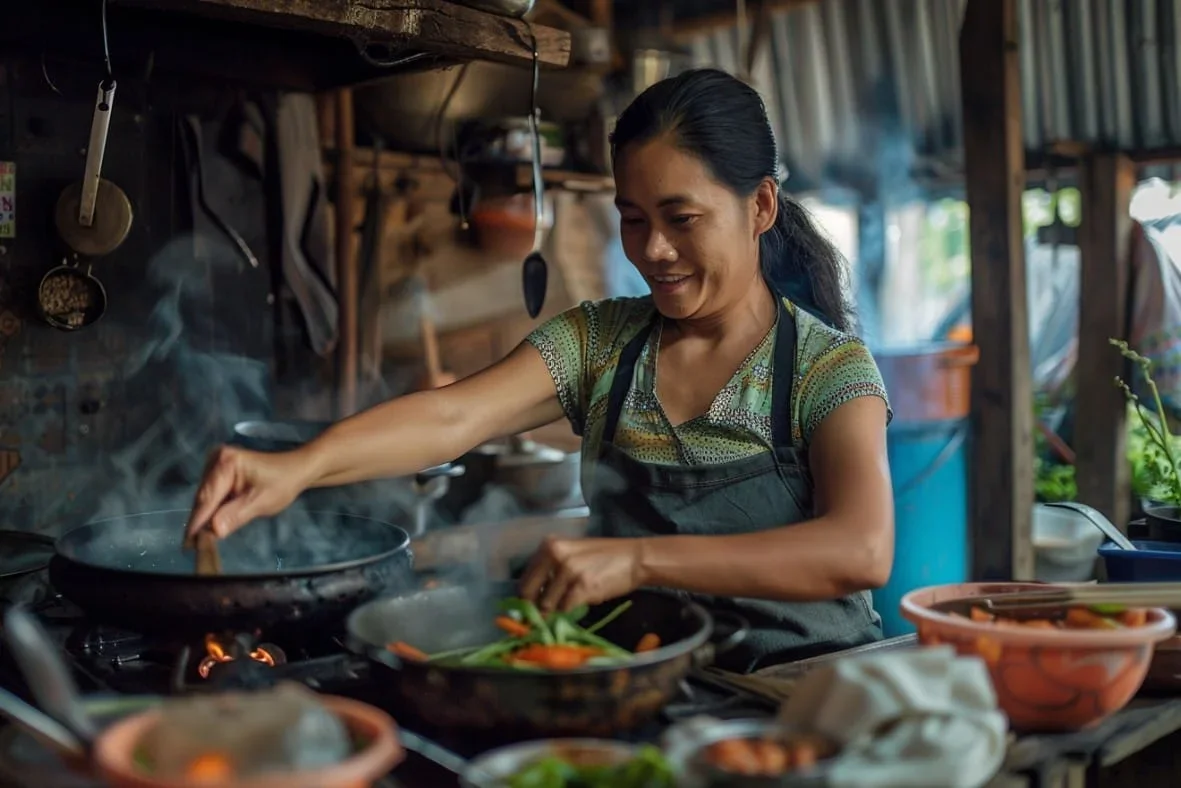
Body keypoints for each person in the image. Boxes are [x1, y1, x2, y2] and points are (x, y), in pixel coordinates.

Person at [186, 69, 895, 672]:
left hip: (805, 692)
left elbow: (859, 549)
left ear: (759, 206)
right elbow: (451, 418)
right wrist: (296, 468)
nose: (654, 250)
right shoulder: (601, 344)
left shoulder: (825, 369)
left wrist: (641, 560)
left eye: (681, 218)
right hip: (646, 685)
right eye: (633, 219)